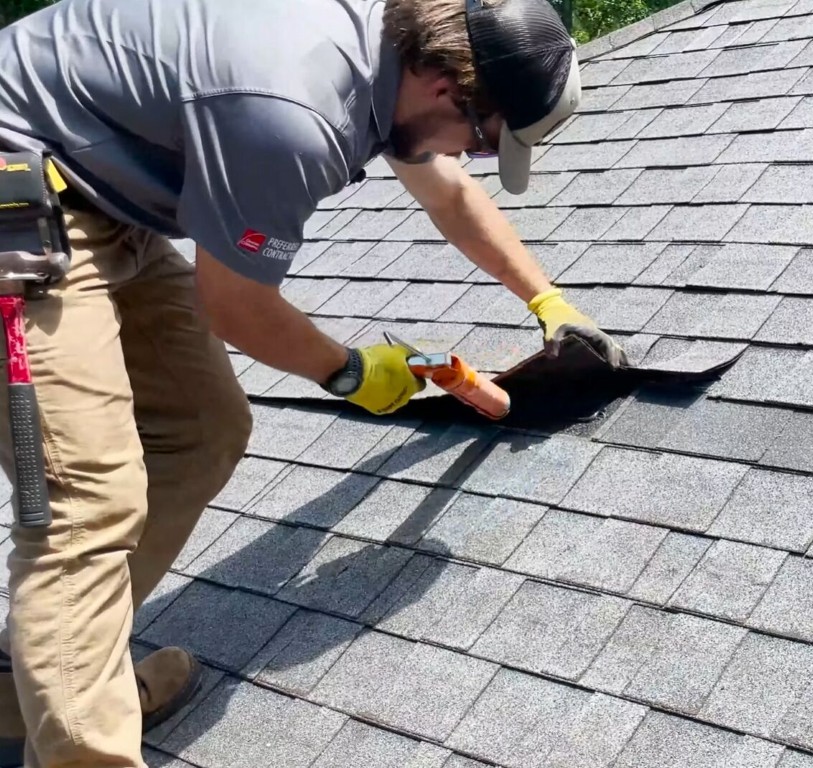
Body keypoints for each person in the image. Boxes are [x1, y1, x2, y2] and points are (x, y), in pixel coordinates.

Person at [0, 0, 626, 763]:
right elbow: (235, 305)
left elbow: (448, 190)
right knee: (88, 503)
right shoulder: (293, 111)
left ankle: (34, 687)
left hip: (99, 188)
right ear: (444, 88)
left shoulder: (390, 52)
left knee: (204, 431)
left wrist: (547, 303)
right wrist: (350, 371)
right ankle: (81, 744)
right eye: (484, 138)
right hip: (17, 195)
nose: (479, 157)